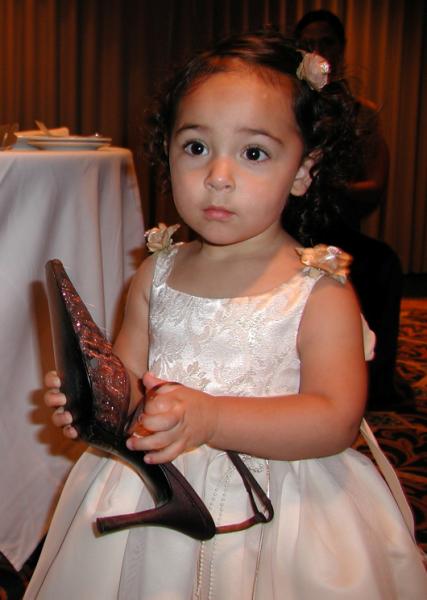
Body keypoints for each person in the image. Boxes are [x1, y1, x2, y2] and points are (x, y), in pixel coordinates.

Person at [25, 32, 427, 599]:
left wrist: (212, 419)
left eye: (253, 153)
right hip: (154, 489)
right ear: (167, 153)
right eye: (195, 147)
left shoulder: (318, 294)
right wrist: (97, 403)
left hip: (283, 511)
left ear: (303, 170)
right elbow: (132, 384)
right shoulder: (155, 275)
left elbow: (335, 419)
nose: (218, 174)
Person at [294, 10, 411, 411]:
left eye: (326, 42)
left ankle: (376, 382)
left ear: (341, 49)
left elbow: (375, 186)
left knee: (384, 265)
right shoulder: (287, 106)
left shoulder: (361, 112)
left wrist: (320, 183)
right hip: (288, 230)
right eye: (309, 43)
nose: (318, 50)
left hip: (337, 230)